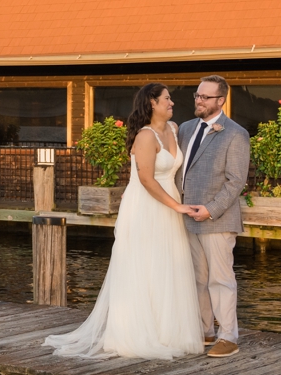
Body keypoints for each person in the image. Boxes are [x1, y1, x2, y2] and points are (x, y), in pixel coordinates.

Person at [43, 83, 205, 360]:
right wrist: (177, 205)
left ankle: (169, 332)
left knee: (168, 264)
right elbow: (145, 179)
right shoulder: (145, 136)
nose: (172, 103)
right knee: (142, 265)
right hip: (146, 205)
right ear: (152, 103)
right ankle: (136, 332)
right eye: (167, 99)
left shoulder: (175, 129)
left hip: (170, 204)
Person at [177, 75, 251, 358]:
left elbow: (236, 181)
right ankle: (205, 331)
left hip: (217, 219)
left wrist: (211, 209)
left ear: (221, 100)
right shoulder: (185, 128)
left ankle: (228, 336)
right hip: (187, 217)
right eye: (197, 95)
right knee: (197, 278)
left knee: (220, 279)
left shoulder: (235, 133)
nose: (199, 100)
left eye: (205, 97)